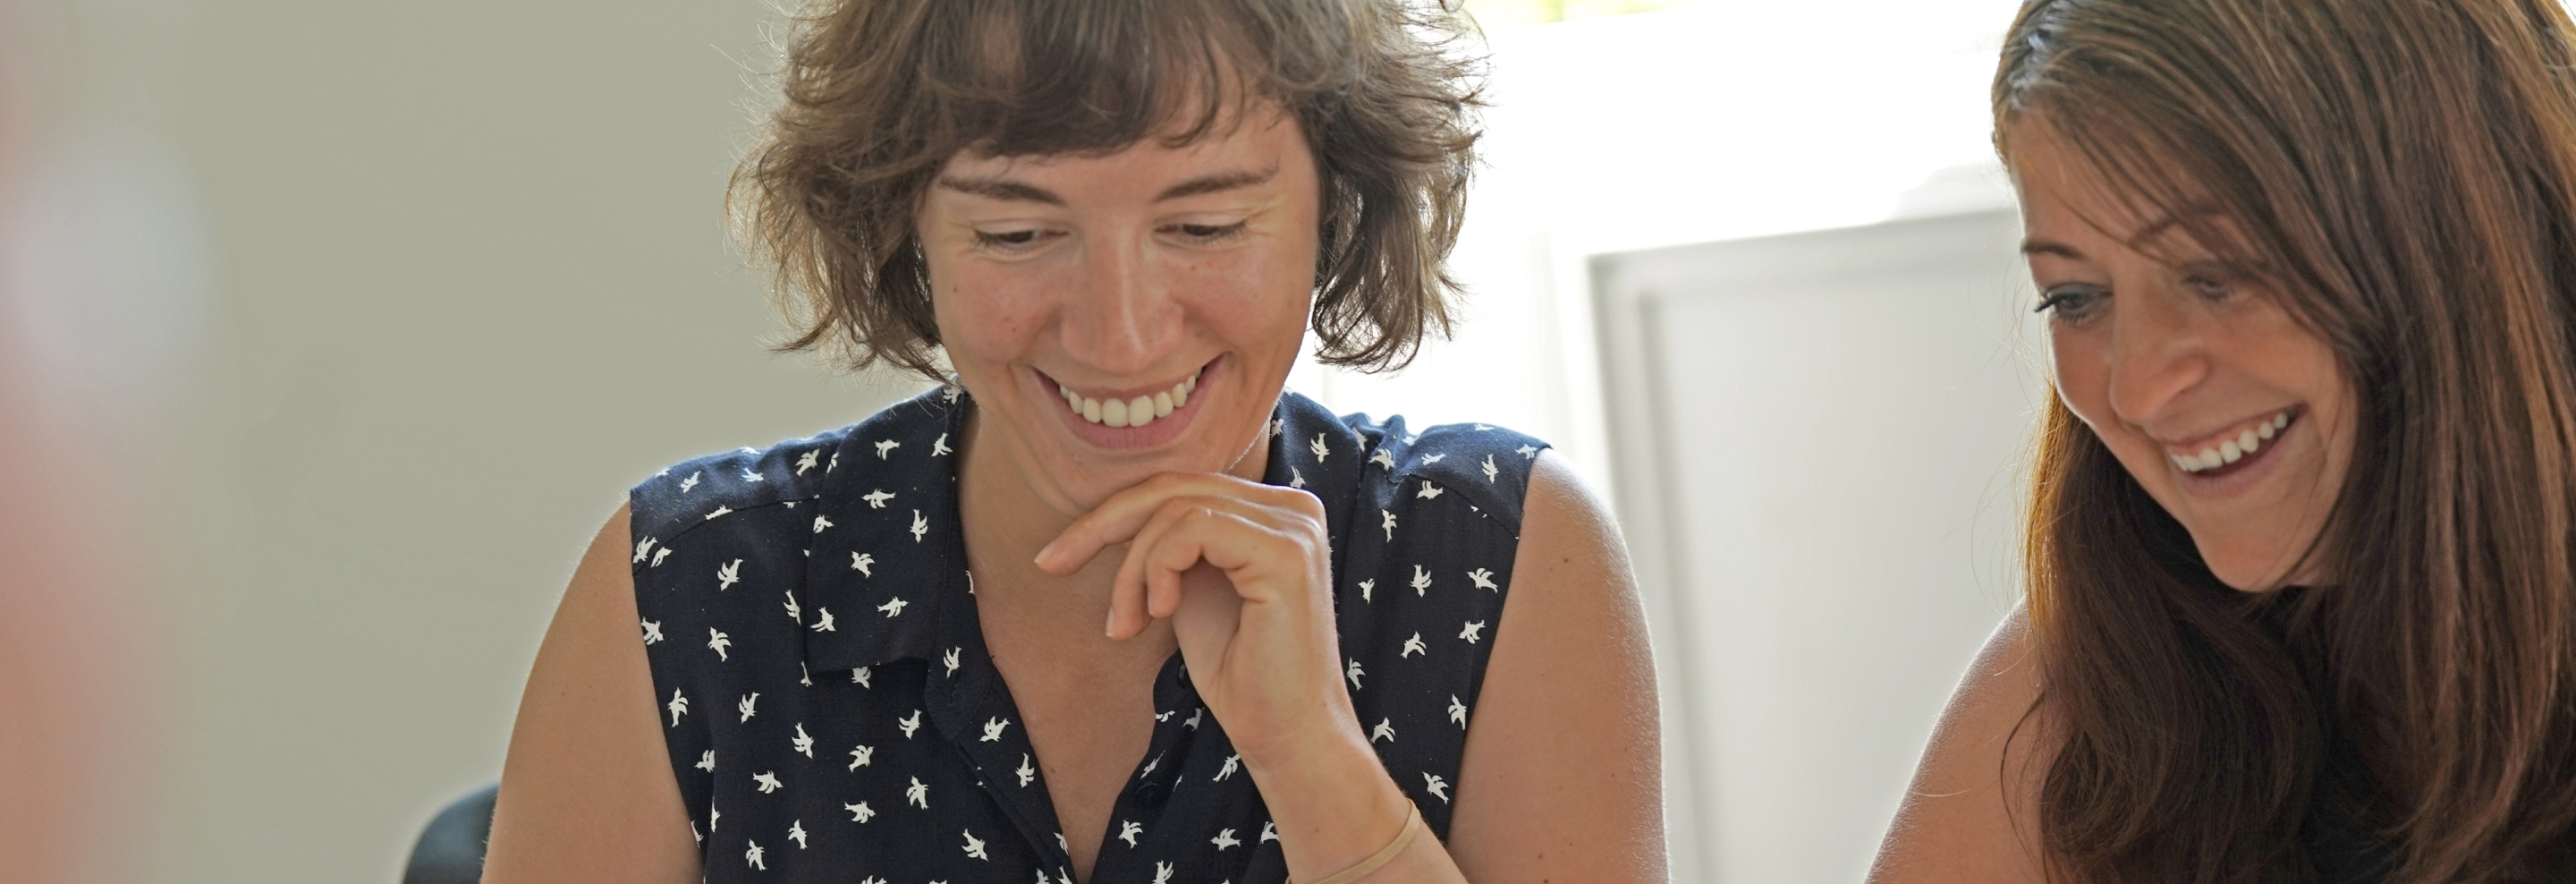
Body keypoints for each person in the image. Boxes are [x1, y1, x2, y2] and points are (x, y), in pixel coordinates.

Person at [479, 2, 1663, 882]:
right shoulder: (685, 590)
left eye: (1203, 224)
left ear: (1335, 208)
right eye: (1015, 233)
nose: (1121, 332)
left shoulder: (1496, 556)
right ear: (906, 232)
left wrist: (1316, 768)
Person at [1871, 1, 2576, 882]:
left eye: (2217, 273)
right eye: (2077, 298)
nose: (2137, 387)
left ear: (2453, 235)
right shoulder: (2088, 682)